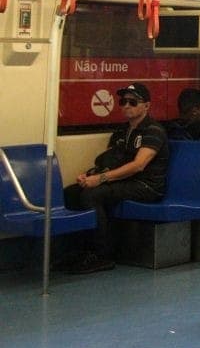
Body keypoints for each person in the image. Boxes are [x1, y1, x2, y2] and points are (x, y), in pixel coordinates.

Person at [61, 82, 170, 274]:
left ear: (146, 106)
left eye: (133, 102)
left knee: (92, 196)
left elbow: (138, 165)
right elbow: (111, 159)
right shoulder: (121, 131)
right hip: (125, 181)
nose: (126, 105)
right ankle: (78, 250)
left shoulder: (153, 131)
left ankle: (102, 254)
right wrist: (91, 175)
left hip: (146, 185)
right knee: (71, 193)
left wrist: (101, 179)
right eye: (123, 102)